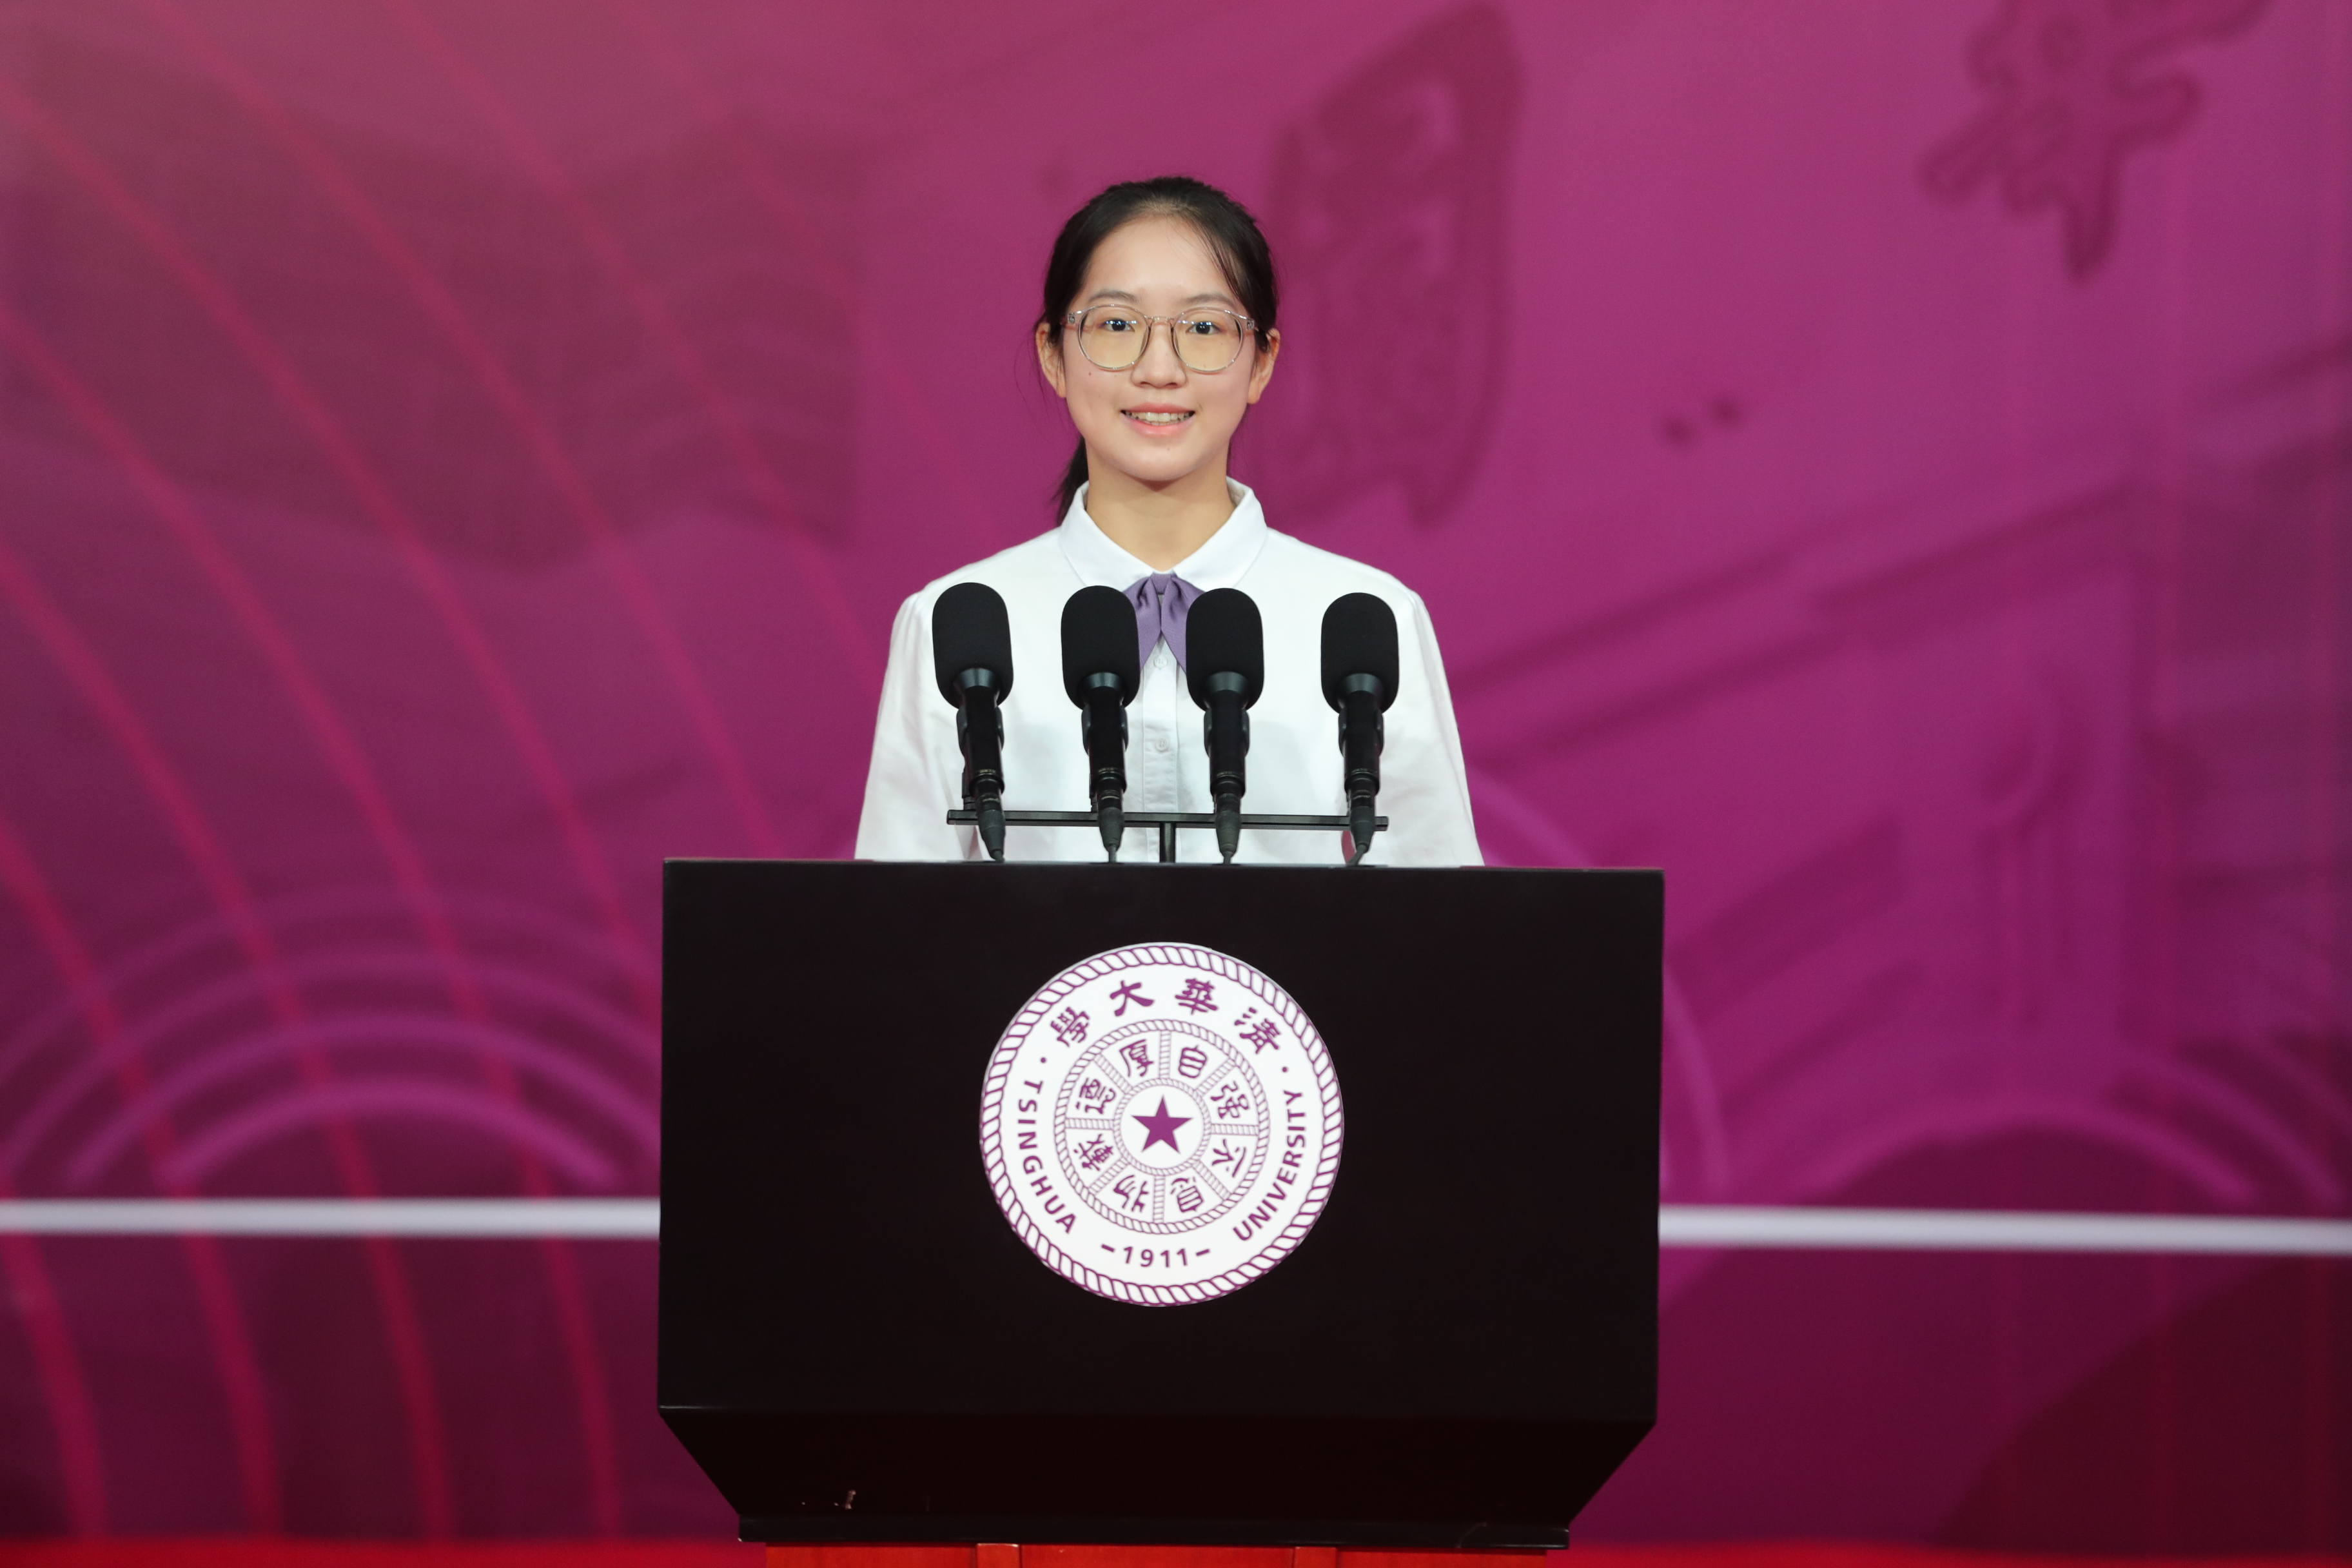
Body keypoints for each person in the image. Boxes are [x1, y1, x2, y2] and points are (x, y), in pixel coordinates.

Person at [855, 175, 1482, 866]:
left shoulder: (1368, 619)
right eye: (1116, 325)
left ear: (1262, 363)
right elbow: (892, 916)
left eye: (1204, 328)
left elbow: (1443, 912)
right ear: (1052, 354)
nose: (1159, 370)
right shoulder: (958, 624)